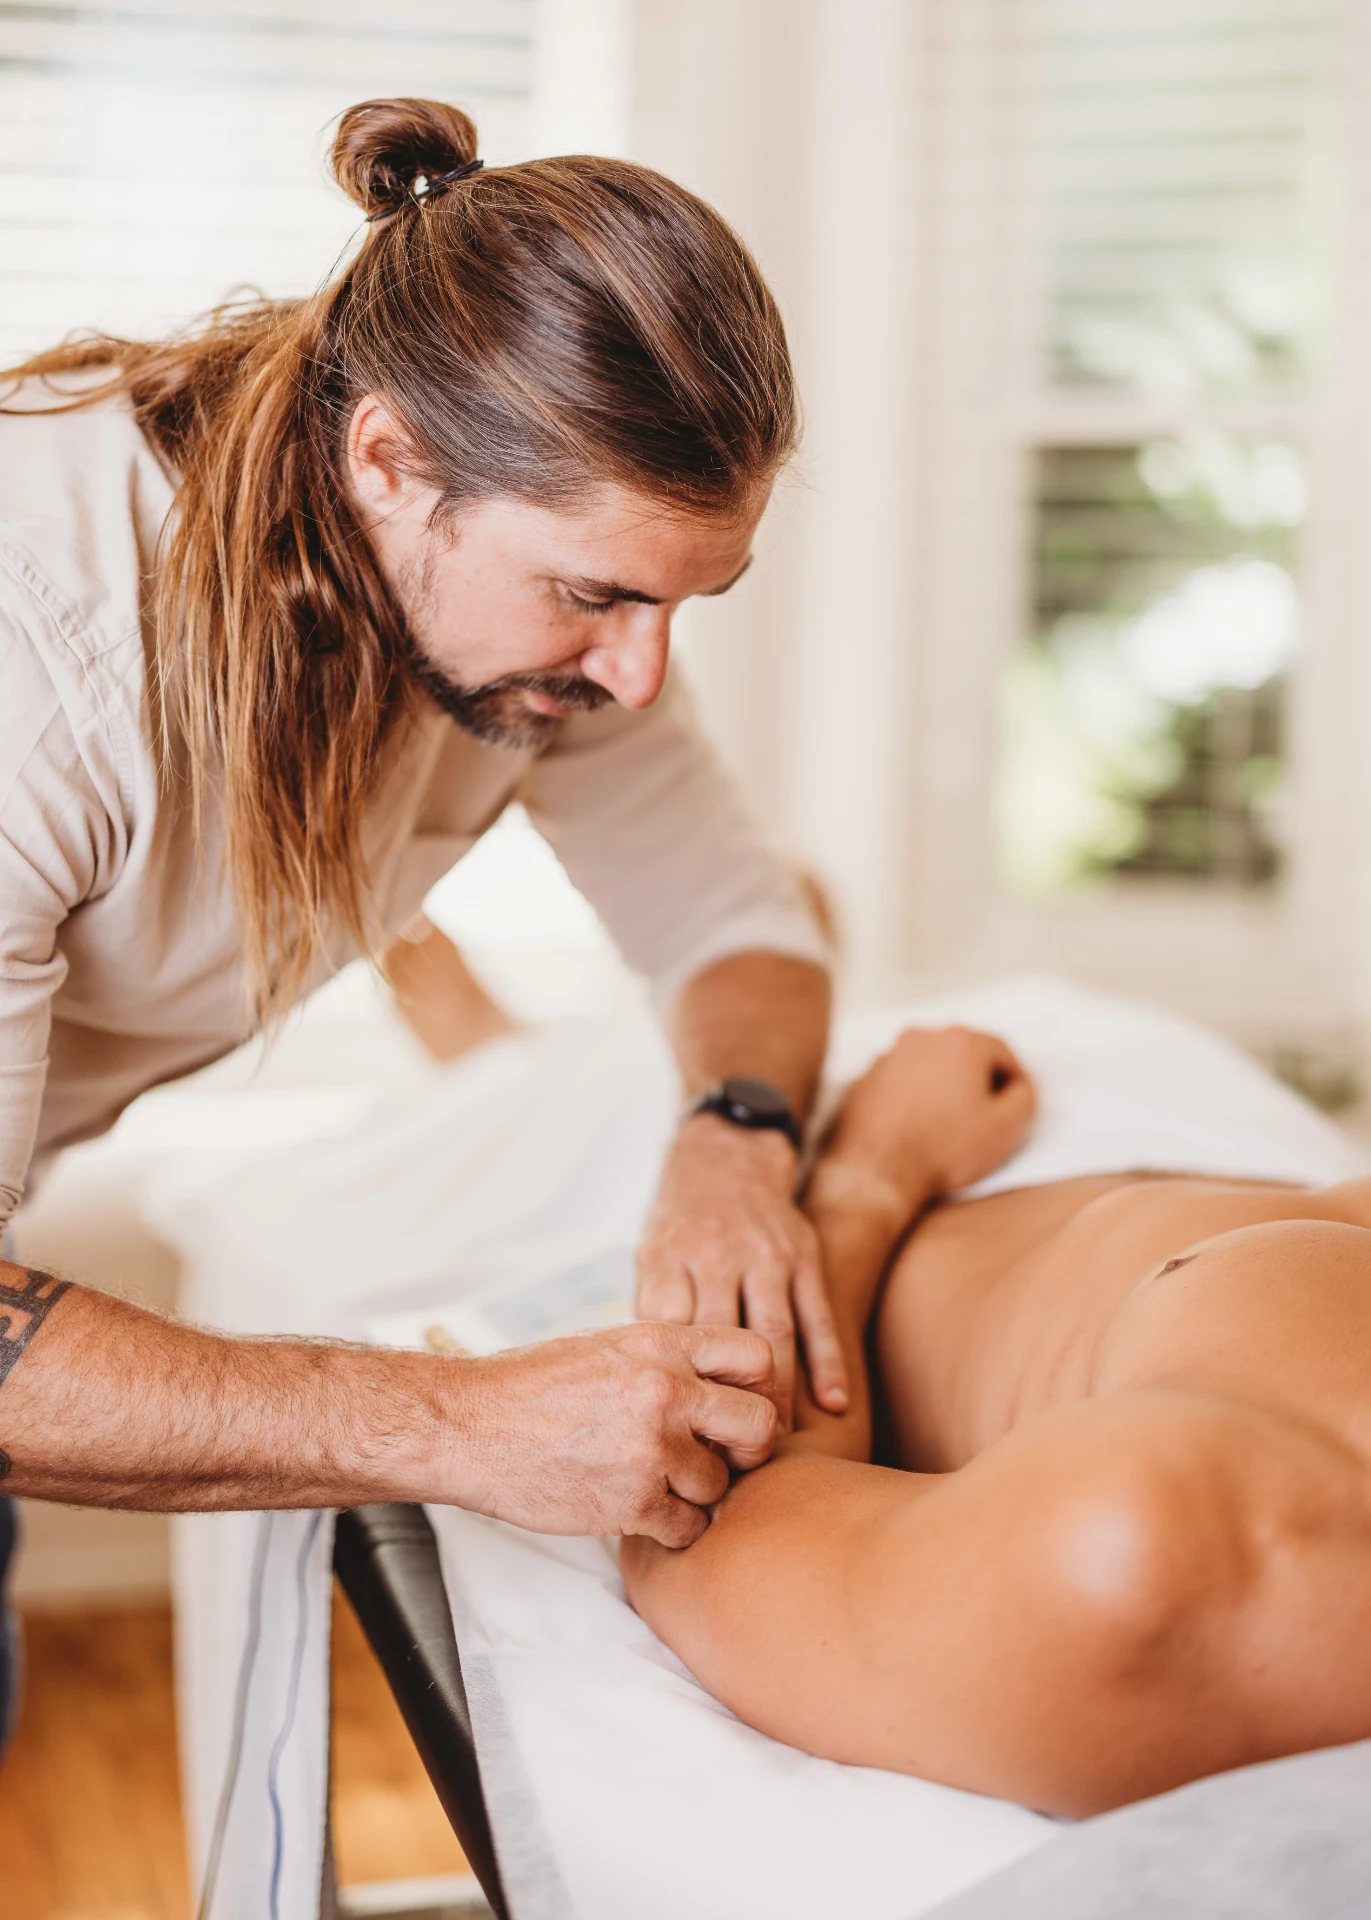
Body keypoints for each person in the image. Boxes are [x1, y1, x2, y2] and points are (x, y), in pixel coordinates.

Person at [0, 95, 856, 1724]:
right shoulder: (36, 648)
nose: (640, 674)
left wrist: (735, 1138)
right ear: (387, 460)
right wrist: (464, 1423)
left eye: (681, 603)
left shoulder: (545, 633)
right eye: (595, 595)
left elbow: (734, 922)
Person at [623, 1024, 1371, 1818]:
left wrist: (871, 1175)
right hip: (1133, 1096)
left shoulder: (1197, 1555)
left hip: (866, 1171)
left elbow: (695, 1498)